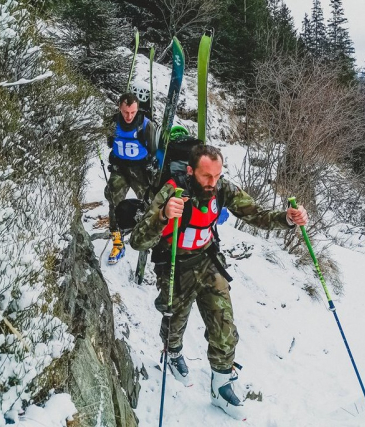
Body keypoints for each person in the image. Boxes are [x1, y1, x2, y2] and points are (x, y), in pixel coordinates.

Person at [129, 144, 308, 419]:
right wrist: (163, 215)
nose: (213, 183)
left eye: (217, 175)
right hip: (175, 266)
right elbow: (138, 240)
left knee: (224, 325)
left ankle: (222, 385)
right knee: (175, 320)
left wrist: (287, 218)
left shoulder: (222, 189)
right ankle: (173, 351)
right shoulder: (172, 191)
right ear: (190, 171)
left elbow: (256, 214)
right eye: (206, 177)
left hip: (208, 262)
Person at [105, 91, 157, 264]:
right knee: (113, 200)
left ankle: (148, 236)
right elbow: (110, 143)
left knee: (150, 203)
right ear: (120, 108)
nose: (129, 116)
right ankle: (117, 242)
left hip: (141, 170)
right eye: (126, 112)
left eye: (133, 112)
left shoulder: (146, 124)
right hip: (120, 168)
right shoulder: (112, 123)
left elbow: (155, 149)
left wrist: (153, 166)